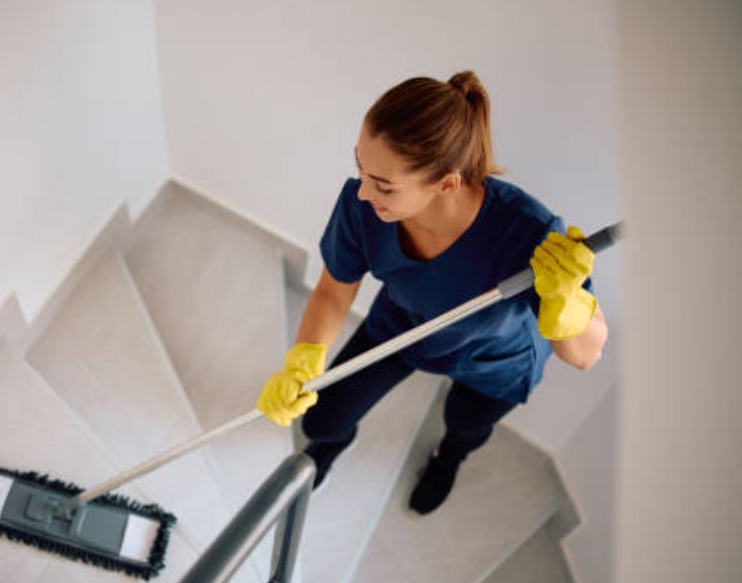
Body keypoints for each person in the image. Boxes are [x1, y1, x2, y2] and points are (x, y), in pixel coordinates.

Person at [256, 71, 608, 515]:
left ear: (446, 183)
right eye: (361, 170)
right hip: (402, 327)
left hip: (494, 360)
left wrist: (566, 303)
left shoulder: (529, 234)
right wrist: (303, 359)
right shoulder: (362, 204)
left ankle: (448, 457)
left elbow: (584, 355)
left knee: (465, 425)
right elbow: (332, 291)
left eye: (384, 185)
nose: (364, 193)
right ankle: (332, 445)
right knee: (322, 418)